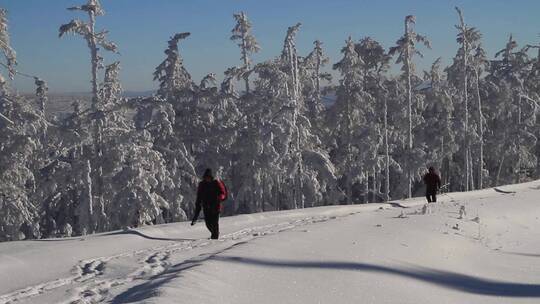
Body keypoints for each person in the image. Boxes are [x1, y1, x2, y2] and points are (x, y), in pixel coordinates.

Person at [191, 168, 227, 239]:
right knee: (208, 224)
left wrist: (219, 198)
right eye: (206, 177)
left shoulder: (216, 183)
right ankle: (214, 234)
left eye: (209, 177)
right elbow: (199, 198)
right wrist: (196, 216)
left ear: (211, 177)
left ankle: (214, 240)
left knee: (214, 223)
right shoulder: (202, 185)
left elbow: (223, 193)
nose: (207, 179)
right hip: (206, 207)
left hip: (216, 206)